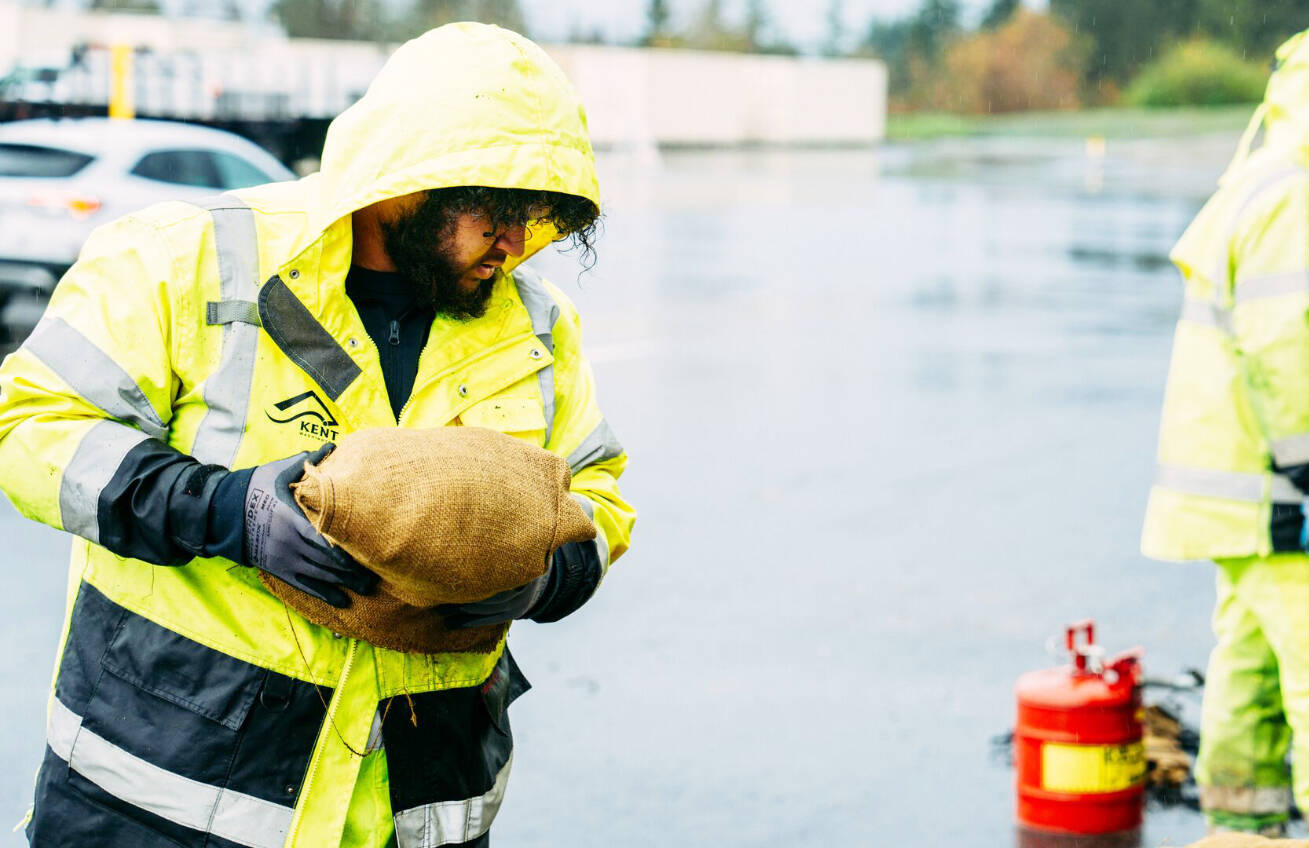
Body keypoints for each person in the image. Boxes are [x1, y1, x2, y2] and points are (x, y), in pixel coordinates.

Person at [0, 22, 635, 848]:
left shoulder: (538, 327)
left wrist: (544, 574)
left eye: (539, 216)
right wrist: (226, 510)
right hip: (164, 802)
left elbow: (598, 493)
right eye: (497, 212)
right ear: (409, 180)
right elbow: (32, 427)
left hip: (416, 807)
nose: (515, 245)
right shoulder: (186, 257)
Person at [1142, 29, 1309, 836]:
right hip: (1281, 495)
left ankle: (1239, 832)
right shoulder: (1299, 195)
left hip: (1238, 492)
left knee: (1250, 669)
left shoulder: (1264, 175)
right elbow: (1288, 347)